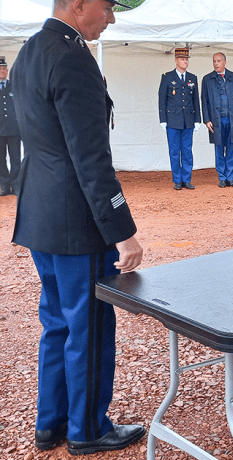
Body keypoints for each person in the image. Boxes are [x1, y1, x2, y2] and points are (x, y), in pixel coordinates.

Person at [10, 0, 145, 455]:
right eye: (107, 7)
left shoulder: (30, 50)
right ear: (79, 3)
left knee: (57, 323)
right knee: (87, 325)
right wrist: (121, 229)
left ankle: (50, 424)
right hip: (76, 221)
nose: (111, 17)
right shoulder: (72, 58)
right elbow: (91, 159)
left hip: (40, 215)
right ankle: (88, 430)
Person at [201, 52, 233, 188]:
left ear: (225, 62)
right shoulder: (207, 79)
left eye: (219, 61)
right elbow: (204, 101)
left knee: (231, 148)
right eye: (214, 61)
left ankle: (230, 177)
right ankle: (222, 177)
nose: (216, 63)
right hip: (216, 121)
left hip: (231, 120)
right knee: (219, 148)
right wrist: (207, 119)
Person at [158, 47, 201, 190]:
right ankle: (177, 179)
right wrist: (163, 119)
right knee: (175, 151)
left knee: (187, 151)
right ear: (176, 60)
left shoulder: (192, 78)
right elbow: (162, 99)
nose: (185, 62)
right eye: (182, 59)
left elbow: (196, 101)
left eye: (186, 59)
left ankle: (186, 179)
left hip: (188, 120)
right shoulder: (167, 77)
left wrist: (197, 119)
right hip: (173, 120)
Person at [0, 56, 20, 196]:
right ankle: (5, 185)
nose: (3, 71)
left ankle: (15, 185)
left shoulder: (15, 86)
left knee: (15, 159)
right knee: (0, 159)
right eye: (0, 69)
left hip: (14, 129)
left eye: (4, 69)